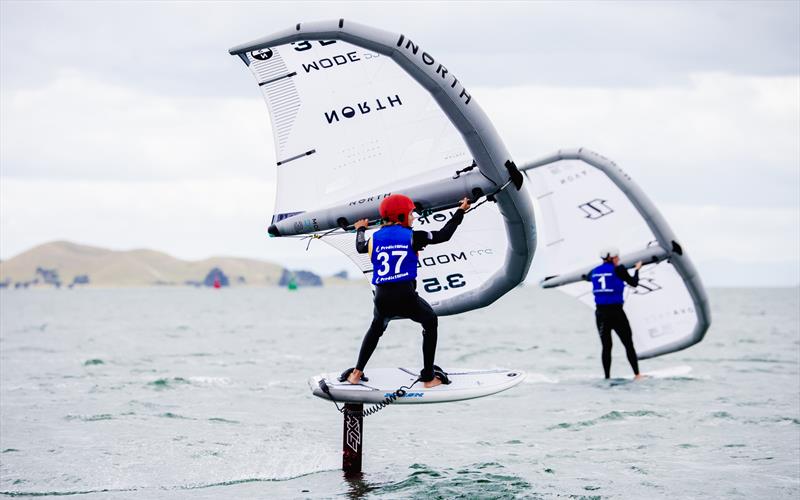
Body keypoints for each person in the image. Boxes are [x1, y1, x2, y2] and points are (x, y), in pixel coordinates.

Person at [341, 194, 471, 388]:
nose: (414, 217)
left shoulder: (373, 239)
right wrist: (460, 211)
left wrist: (360, 229)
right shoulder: (413, 236)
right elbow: (444, 235)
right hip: (405, 297)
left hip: (382, 298)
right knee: (430, 322)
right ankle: (428, 377)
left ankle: (356, 373)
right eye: (411, 214)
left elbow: (360, 246)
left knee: (376, 329)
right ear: (401, 216)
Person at [589, 247, 644, 380]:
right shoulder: (619, 269)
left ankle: (607, 377)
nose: (619, 259)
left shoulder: (594, 271)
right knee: (628, 344)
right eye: (617, 257)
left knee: (606, 347)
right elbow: (634, 283)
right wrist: (637, 269)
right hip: (616, 312)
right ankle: (637, 374)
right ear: (611, 258)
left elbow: (587, 278)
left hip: (600, 314)